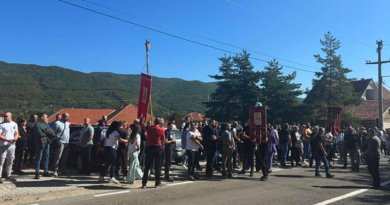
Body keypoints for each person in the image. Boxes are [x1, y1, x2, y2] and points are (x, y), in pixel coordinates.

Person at [142, 118, 166, 188]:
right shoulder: (161, 130)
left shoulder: (149, 129)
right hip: (157, 147)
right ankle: (157, 183)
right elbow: (164, 140)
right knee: (157, 166)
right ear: (160, 123)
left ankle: (144, 183)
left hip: (149, 147)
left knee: (147, 166)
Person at [0, 112, 19, 183]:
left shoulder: (14, 124)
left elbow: (16, 133)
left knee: (10, 160)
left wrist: (15, 139)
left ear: (10, 116)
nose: (5, 117)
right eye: (4, 116)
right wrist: (7, 140)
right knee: (1, 160)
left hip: (12, 145)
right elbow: (0, 135)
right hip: (3, 144)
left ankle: (8, 175)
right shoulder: (1, 124)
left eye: (6, 116)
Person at [52, 113, 71, 177]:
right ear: (63, 117)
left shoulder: (67, 123)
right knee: (58, 157)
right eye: (67, 116)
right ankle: (55, 170)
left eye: (68, 116)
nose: (68, 117)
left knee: (65, 157)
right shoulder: (57, 123)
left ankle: (63, 169)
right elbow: (53, 132)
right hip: (60, 142)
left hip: (66, 142)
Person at [34, 114, 52, 179]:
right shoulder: (37, 124)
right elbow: (40, 133)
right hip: (40, 143)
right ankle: (37, 172)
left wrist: (46, 132)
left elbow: (50, 131)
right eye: (46, 117)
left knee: (46, 157)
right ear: (42, 117)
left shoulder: (45, 124)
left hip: (47, 142)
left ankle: (46, 171)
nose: (47, 118)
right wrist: (46, 133)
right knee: (39, 158)